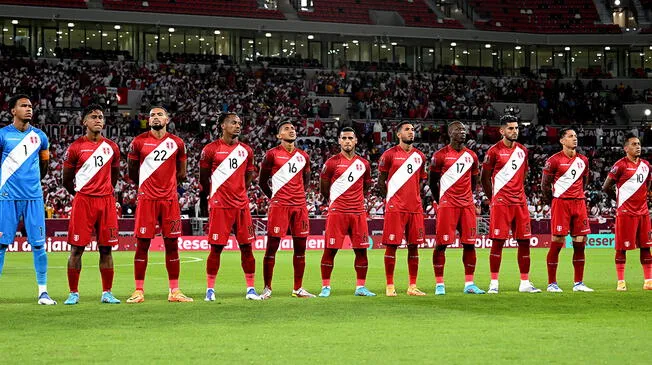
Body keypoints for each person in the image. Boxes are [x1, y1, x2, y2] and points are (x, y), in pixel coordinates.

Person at [126, 106, 193, 303]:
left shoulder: (177, 143)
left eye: (160, 114)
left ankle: (174, 290)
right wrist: (148, 186)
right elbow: (132, 172)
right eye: (152, 115)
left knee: (172, 244)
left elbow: (182, 173)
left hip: (169, 200)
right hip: (147, 199)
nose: (155, 117)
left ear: (167, 119)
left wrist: (167, 187)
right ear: (148, 120)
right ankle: (138, 290)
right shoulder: (138, 142)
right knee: (142, 245)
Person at [0, 94, 56, 305]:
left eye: (30, 106)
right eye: (23, 106)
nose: (29, 109)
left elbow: (44, 167)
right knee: (0, 245)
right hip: (7, 197)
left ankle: (43, 292)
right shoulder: (3, 135)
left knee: (39, 245)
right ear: (13, 111)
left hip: (33, 197)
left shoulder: (41, 136)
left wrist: (32, 185)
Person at [62, 104, 121, 304]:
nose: (98, 120)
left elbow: (114, 176)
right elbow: (67, 180)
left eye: (101, 117)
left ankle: (107, 292)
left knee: (106, 249)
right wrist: (81, 194)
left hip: (106, 201)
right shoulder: (75, 147)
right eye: (94, 117)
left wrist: (104, 191)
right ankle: (73, 293)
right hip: (83, 201)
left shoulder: (112, 147)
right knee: (77, 249)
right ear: (84, 122)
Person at [199, 113, 261, 301]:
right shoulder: (210, 149)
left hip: (241, 205)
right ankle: (210, 289)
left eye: (239, 123)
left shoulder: (247, 151)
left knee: (247, 248)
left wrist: (239, 191)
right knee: (216, 248)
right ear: (222, 126)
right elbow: (203, 177)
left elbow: (249, 177)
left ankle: (251, 289)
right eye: (233, 123)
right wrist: (209, 197)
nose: (237, 126)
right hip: (220, 205)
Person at [481, 115, 541, 294]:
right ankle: (494, 283)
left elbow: (524, 174)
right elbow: (484, 178)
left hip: (519, 202)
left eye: (516, 128)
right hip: (501, 202)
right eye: (510, 128)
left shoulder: (523, 150)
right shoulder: (493, 151)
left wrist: (518, 192)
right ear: (502, 131)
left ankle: (524, 282)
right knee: (498, 242)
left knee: (524, 242)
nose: (514, 131)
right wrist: (493, 198)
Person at [259, 120, 315, 298]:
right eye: (286, 129)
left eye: (292, 128)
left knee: (301, 248)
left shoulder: (303, 156)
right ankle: (267, 288)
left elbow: (305, 181)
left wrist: (298, 197)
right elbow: (262, 182)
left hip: (299, 207)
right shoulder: (272, 154)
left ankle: (298, 288)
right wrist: (275, 198)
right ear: (279, 135)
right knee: (272, 247)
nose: (291, 131)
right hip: (280, 206)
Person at [318, 127, 375, 297]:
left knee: (361, 250)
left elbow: (365, 186)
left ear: (356, 140)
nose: (348, 141)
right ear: (339, 141)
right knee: (330, 249)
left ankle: (360, 287)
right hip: (338, 211)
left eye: (351, 138)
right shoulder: (331, 163)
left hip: (358, 212)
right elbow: (324, 188)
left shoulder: (364, 163)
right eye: (344, 138)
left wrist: (356, 201)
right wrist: (336, 201)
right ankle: (326, 287)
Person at [430, 121, 484, 295]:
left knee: (469, 244)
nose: (462, 132)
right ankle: (440, 284)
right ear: (449, 133)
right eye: (458, 130)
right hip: (448, 205)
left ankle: (469, 283)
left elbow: (475, 180)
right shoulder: (440, 155)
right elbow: (432, 181)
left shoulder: (472, 156)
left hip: (466, 205)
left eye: (464, 130)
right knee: (441, 244)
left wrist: (469, 198)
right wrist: (441, 200)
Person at [378, 121, 427, 297]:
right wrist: (391, 199)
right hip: (396, 208)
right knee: (391, 246)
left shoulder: (420, 156)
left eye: (413, 129)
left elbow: (421, 181)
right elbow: (380, 182)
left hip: (415, 208)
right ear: (398, 134)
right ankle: (390, 286)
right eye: (407, 129)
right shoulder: (389, 155)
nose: (411, 132)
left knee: (414, 247)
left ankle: (412, 286)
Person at [541, 128, 593, 293]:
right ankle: (552, 284)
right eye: (570, 136)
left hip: (579, 203)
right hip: (561, 203)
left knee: (580, 244)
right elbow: (545, 185)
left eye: (576, 136)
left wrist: (577, 195)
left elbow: (585, 181)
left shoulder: (583, 160)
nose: (574, 139)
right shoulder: (554, 160)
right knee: (557, 242)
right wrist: (555, 201)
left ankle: (578, 283)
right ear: (562, 141)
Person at [602, 135, 652, 291]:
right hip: (625, 213)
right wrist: (620, 201)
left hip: (643, 212)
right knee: (621, 248)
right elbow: (606, 186)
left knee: (646, 247)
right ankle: (621, 282)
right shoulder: (620, 165)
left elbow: (648, 184)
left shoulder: (646, 165)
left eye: (639, 144)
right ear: (626, 148)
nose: (638, 147)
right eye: (634, 144)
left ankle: (648, 281)